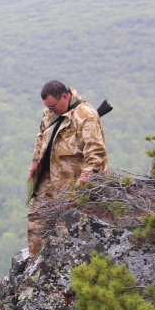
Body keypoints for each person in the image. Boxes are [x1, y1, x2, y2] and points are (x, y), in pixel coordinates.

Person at [27, 80, 110, 256]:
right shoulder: (50, 114)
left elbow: (95, 152)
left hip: (74, 181)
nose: (49, 110)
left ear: (65, 96)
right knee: (36, 221)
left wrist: (84, 180)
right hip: (49, 178)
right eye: (47, 107)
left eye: (52, 106)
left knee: (72, 227)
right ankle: (36, 265)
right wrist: (34, 162)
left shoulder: (86, 115)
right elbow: (41, 136)